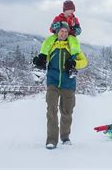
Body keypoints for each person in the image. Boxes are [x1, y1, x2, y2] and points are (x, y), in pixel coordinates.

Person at [32, 22, 88, 150]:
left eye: (65, 32)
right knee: (51, 109)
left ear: (68, 33)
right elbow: (43, 59)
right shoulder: (52, 46)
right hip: (53, 82)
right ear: (57, 32)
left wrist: (74, 63)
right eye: (61, 31)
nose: (63, 33)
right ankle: (51, 140)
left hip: (68, 83)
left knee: (67, 111)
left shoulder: (73, 47)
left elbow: (84, 62)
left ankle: (65, 137)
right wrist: (38, 62)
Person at [39, 0, 82, 77]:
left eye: (73, 10)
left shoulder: (75, 20)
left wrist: (72, 29)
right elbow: (51, 29)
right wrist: (58, 25)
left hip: (70, 35)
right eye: (70, 10)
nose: (72, 12)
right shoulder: (58, 18)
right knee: (48, 41)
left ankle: (71, 63)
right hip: (58, 35)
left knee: (74, 42)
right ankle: (42, 58)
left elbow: (79, 31)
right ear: (65, 10)